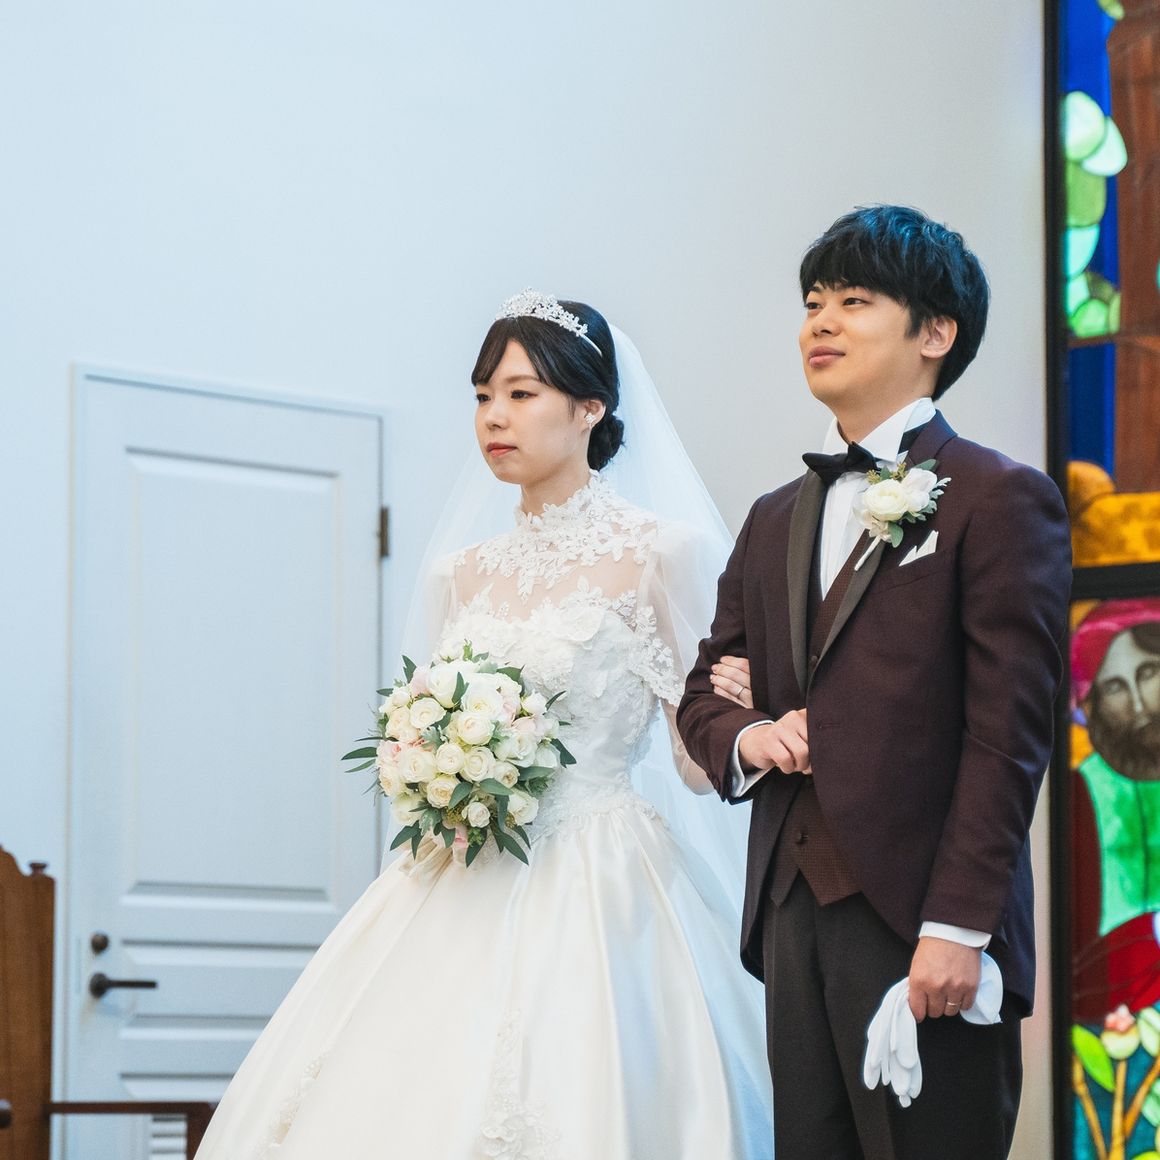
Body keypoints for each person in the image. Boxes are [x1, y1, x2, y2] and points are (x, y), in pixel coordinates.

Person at [193, 291, 773, 1160]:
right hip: (459, 865)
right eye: (482, 396)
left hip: (600, 873)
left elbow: (697, 762)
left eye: (521, 393)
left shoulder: (663, 553)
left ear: (590, 407)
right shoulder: (458, 574)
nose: (494, 417)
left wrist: (741, 713)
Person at [677, 205, 1072, 1160]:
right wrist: (750, 733)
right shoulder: (774, 517)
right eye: (813, 301)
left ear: (934, 333)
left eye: (854, 301)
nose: (821, 321)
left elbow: (1008, 735)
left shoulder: (997, 498)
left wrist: (958, 926)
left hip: (923, 923)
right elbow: (702, 695)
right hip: (789, 917)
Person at [1071, 599, 1160, 1021]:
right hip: (1113, 1008)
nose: (1139, 706)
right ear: (1092, 707)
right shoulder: (1080, 792)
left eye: (1148, 673)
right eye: (1114, 687)